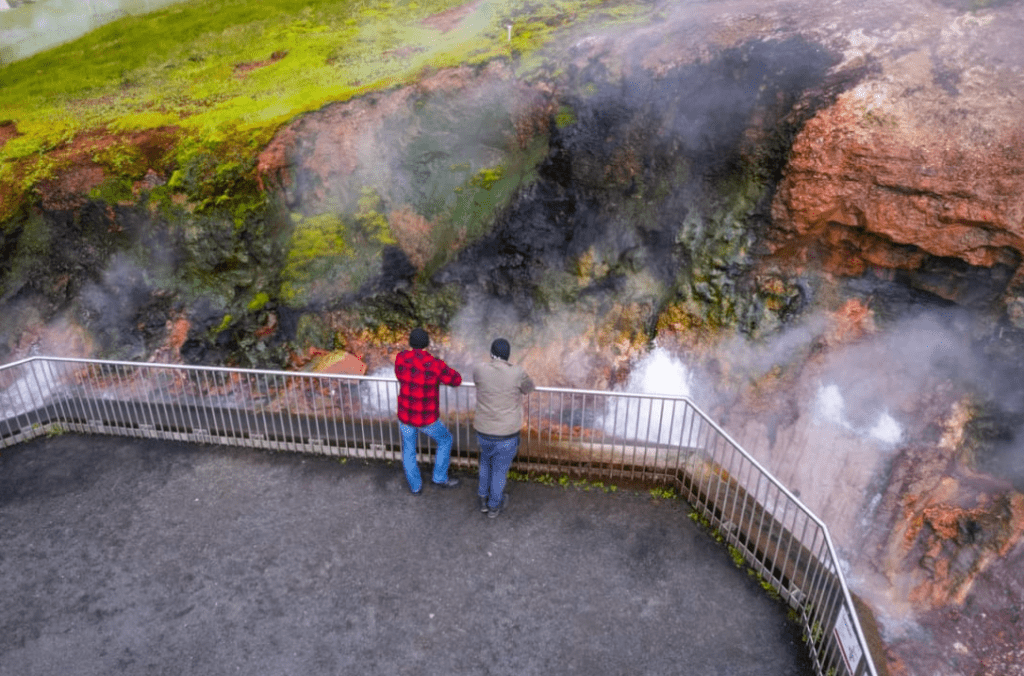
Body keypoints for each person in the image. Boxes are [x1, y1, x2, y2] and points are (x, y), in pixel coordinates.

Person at [394, 328, 463, 495]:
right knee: (445, 440)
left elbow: (399, 374)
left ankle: (415, 487)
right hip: (427, 418)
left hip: (405, 415)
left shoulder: (401, 358)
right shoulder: (435, 365)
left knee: (409, 450)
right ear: (427, 343)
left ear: (410, 342)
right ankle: (439, 477)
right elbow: (456, 380)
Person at [472, 338, 535, 518]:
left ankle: (483, 500)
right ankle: (494, 506)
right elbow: (529, 388)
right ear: (508, 356)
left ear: (491, 354)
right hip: (506, 434)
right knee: (499, 471)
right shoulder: (517, 372)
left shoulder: (479, 369)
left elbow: (480, 383)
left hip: (483, 432)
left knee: (485, 464)